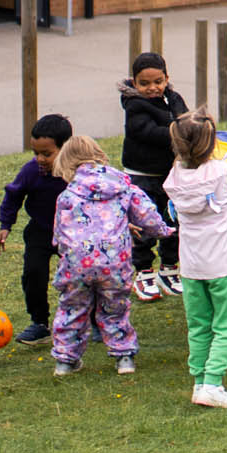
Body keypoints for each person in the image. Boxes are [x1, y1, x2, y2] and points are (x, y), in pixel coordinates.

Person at [165, 113, 227, 410]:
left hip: (192, 267)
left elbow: (173, 212)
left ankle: (199, 381)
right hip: (223, 264)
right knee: (226, 325)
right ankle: (213, 382)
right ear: (211, 144)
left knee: (198, 325)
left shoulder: (173, 177)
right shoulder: (223, 172)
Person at [48, 135, 171, 377]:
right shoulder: (123, 186)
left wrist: (64, 252)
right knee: (115, 308)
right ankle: (124, 358)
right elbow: (147, 214)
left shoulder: (67, 195)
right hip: (114, 262)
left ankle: (65, 361)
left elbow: (59, 234)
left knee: (72, 308)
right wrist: (164, 231)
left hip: (77, 264)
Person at [0, 113, 74, 346]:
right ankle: (39, 323)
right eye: (35, 153)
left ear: (66, 148)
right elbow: (13, 195)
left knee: (81, 277)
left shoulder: (78, 172)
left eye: (46, 154)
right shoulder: (31, 171)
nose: (39, 158)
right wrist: (5, 226)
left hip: (73, 233)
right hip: (40, 231)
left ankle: (94, 319)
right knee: (33, 274)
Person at [118, 53, 186, 302]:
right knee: (144, 224)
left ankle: (170, 268)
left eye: (158, 81)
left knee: (173, 221)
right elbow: (146, 131)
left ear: (166, 78)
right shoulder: (133, 105)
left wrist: (183, 127)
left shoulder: (174, 98)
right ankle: (143, 272)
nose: (152, 88)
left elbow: (185, 120)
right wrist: (176, 131)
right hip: (142, 176)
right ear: (134, 83)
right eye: (144, 83)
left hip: (170, 174)